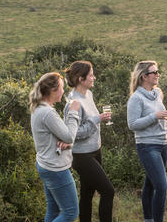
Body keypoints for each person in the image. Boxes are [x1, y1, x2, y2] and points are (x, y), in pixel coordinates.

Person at [63, 61, 114, 222]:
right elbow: (73, 133)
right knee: (108, 191)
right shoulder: (73, 102)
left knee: (87, 193)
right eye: (91, 75)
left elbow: (90, 122)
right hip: (81, 155)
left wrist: (97, 120)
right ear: (80, 79)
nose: (94, 78)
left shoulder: (88, 95)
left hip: (95, 150)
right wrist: (96, 119)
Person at [29, 72, 81, 222]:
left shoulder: (39, 108)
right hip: (55, 169)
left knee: (53, 210)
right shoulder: (48, 113)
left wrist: (66, 144)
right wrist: (73, 112)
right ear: (53, 90)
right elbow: (69, 136)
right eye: (62, 88)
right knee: (71, 212)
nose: (63, 91)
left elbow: (58, 137)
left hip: (45, 164)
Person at [127, 61, 167, 222]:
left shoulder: (157, 93)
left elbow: (157, 115)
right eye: (155, 72)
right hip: (147, 146)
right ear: (144, 76)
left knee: (151, 184)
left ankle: (148, 219)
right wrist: (155, 116)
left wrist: (163, 117)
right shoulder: (136, 98)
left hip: (163, 144)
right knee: (161, 186)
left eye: (157, 71)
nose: (158, 74)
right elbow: (132, 124)